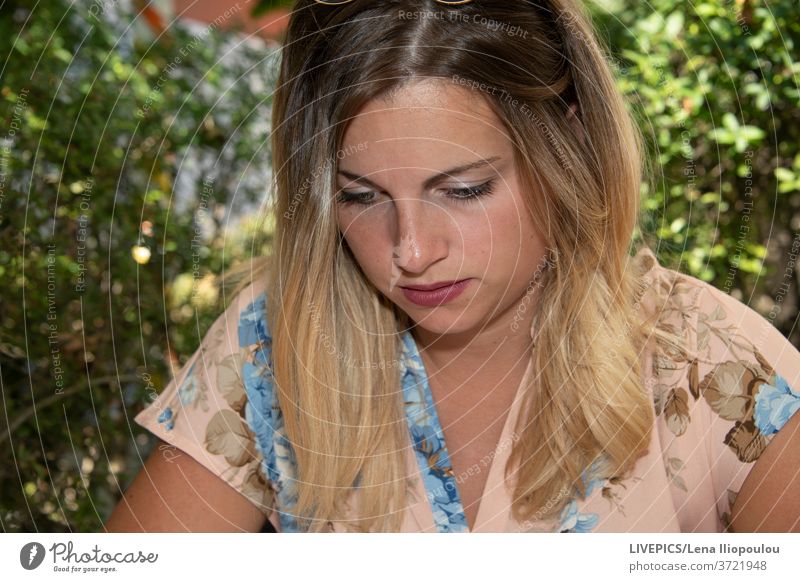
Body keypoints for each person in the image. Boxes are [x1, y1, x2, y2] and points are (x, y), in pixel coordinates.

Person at [104, 0, 800, 533]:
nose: (411, 250)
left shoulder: (713, 369)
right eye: (361, 195)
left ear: (571, 144)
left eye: (463, 189)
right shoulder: (275, 339)